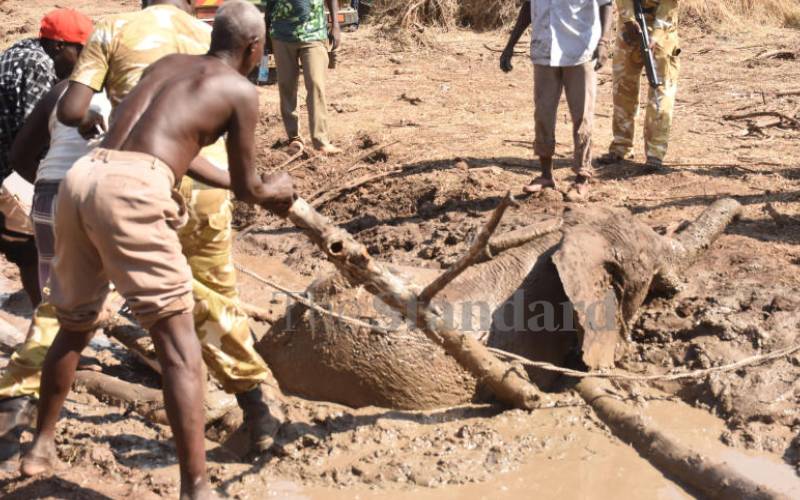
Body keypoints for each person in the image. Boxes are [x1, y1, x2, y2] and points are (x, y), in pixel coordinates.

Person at [19, 3, 295, 498]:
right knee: (181, 347)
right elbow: (251, 187)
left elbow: (173, 150)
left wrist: (243, 184)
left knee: (74, 323)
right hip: (135, 191)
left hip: (85, 177)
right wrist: (276, 189)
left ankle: (39, 447)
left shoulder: (168, 67)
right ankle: (196, 488)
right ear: (255, 48)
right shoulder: (239, 90)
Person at [0, 8, 93, 306]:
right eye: (80, 52)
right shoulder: (39, 65)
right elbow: (32, 141)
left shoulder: (23, 51)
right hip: (5, 171)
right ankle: (46, 314)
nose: (83, 63)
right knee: (31, 245)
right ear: (59, 46)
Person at [500, 0, 612, 201]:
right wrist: (511, 45)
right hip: (545, 48)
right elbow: (528, 6)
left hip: (580, 50)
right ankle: (545, 175)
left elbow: (606, 4)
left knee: (582, 116)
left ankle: (582, 177)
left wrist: (604, 42)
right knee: (543, 114)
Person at [598, 0, 680, 170]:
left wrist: (656, 34)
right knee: (622, 89)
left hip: (663, 32)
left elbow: (669, 5)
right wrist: (629, 19)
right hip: (630, 30)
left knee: (661, 94)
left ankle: (655, 154)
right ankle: (621, 148)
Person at [265, 0, 342, 155]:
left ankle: (320, 141)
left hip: (314, 32)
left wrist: (335, 24)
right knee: (287, 85)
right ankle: (294, 137)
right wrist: (266, 29)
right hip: (282, 34)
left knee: (315, 84)